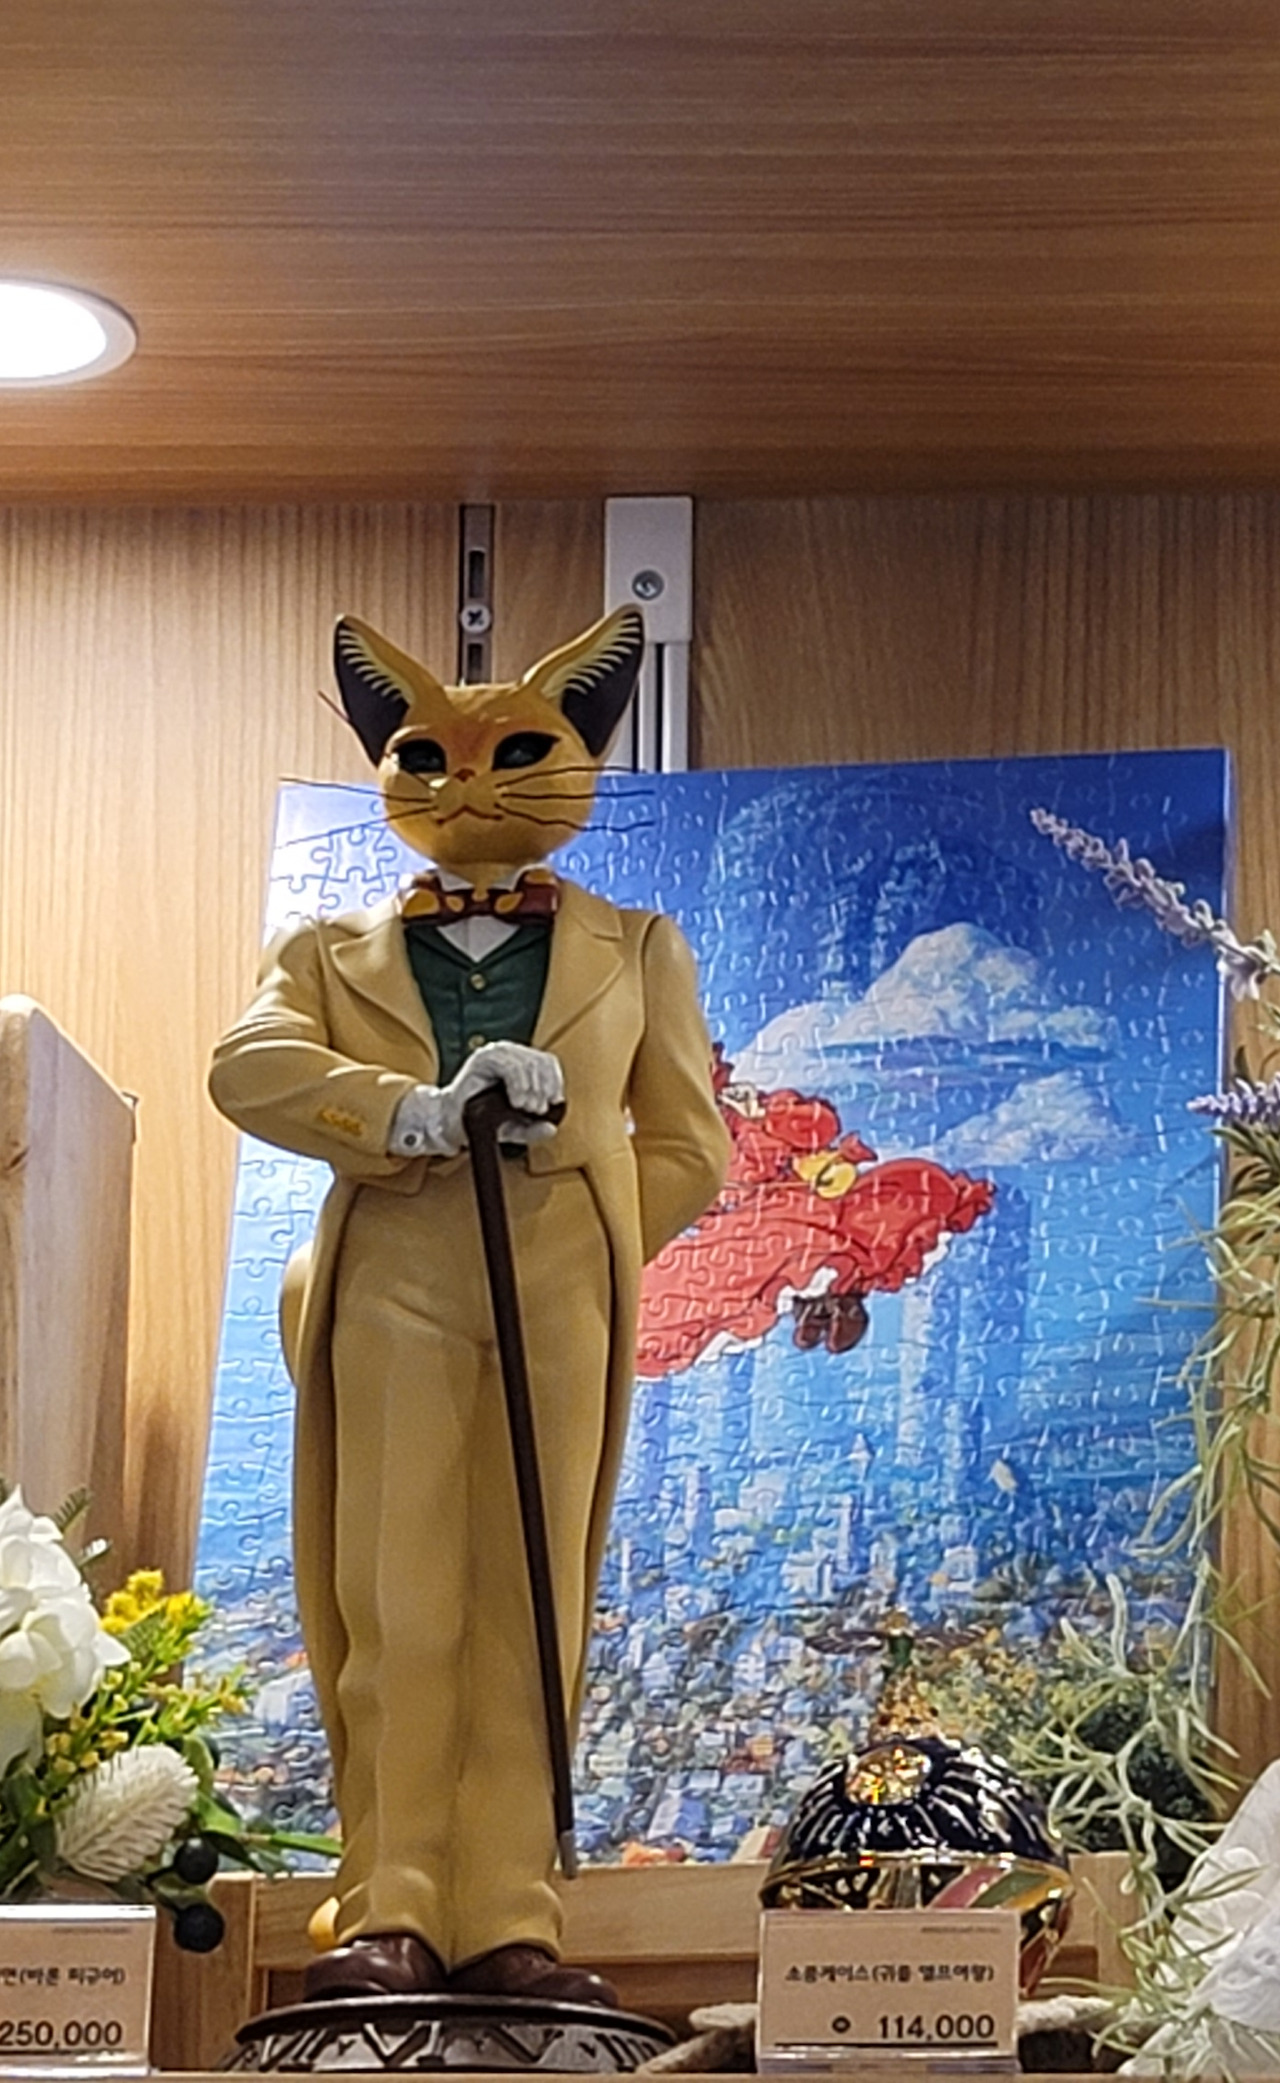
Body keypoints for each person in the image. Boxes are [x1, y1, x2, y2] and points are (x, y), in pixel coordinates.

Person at [209, 605, 729, 2004]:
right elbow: (246, 1068)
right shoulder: (324, 951)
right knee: (396, 1593)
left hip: (561, 1289)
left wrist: (584, 1216)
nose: (468, 786)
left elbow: (691, 1147)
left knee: (532, 1598)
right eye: (426, 756)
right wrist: (413, 1115)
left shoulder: (639, 949)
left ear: (586, 755)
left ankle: (510, 1914)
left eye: (515, 754)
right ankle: (387, 1902)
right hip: (395, 1277)